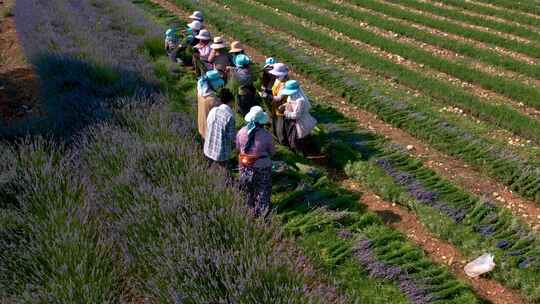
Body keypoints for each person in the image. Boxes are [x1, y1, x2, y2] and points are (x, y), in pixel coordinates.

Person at [236, 106, 275, 217]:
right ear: (262, 122)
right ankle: (262, 213)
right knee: (263, 189)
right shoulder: (267, 135)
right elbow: (272, 152)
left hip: (244, 165)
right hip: (262, 166)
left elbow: (238, 149)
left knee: (247, 188)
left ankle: (248, 210)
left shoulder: (241, 132)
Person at [278, 80, 317, 156]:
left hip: (300, 123)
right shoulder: (291, 95)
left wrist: (285, 112)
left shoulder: (300, 100)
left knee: (296, 140)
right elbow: (290, 102)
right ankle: (300, 152)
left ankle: (302, 155)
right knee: (294, 139)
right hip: (293, 122)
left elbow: (296, 115)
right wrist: (284, 105)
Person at [204, 89, 236, 171]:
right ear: (231, 101)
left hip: (208, 148)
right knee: (223, 173)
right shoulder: (229, 117)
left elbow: (208, 126)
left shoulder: (213, 110)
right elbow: (231, 138)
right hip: (221, 153)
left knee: (208, 169)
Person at [266, 62, 289, 144]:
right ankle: (277, 137)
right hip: (275, 106)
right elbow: (273, 90)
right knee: (274, 123)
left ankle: (283, 142)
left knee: (281, 127)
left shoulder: (284, 84)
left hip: (281, 108)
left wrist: (268, 96)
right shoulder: (277, 79)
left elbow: (279, 98)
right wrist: (267, 91)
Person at [197, 70, 225, 139]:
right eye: (218, 85)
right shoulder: (214, 101)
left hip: (202, 127)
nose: (219, 87)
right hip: (211, 133)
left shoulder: (200, 93)